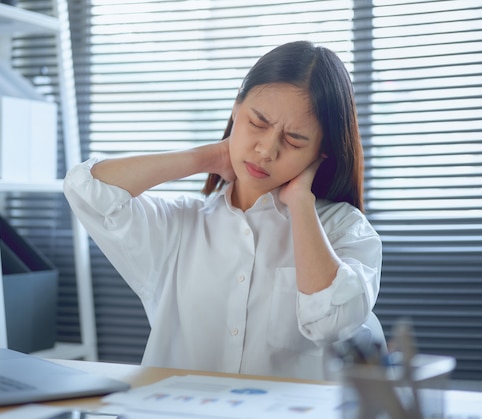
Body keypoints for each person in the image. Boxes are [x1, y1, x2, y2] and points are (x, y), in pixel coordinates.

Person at [63, 40, 383, 381]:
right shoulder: (178, 225)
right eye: (257, 122)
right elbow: (85, 188)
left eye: (293, 141)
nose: (265, 150)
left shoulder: (344, 229)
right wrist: (205, 157)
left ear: (321, 154)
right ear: (235, 109)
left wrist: (301, 201)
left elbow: (332, 322)